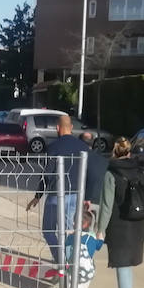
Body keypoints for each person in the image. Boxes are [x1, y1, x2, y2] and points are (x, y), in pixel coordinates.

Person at [93, 137, 144, 288]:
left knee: (122, 264)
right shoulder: (141, 172)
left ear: (114, 152)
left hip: (120, 226)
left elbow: (106, 205)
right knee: (128, 263)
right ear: (129, 153)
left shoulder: (110, 174)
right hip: (139, 224)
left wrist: (100, 229)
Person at [26, 112, 90, 264]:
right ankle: (70, 265)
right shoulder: (83, 148)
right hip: (76, 194)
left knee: (48, 230)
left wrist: (38, 195)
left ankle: (61, 260)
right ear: (72, 127)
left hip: (56, 194)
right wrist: (87, 197)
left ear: (57, 128)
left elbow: (46, 174)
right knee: (68, 232)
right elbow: (88, 173)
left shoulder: (53, 147)